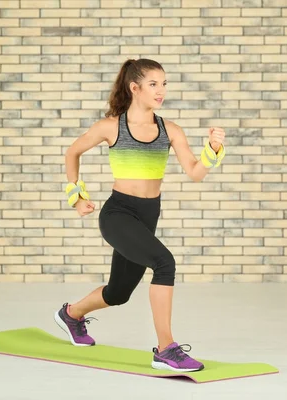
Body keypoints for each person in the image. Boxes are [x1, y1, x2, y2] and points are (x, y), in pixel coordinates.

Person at [55, 58, 226, 373]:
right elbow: (72, 152)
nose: (160, 91)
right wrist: (77, 198)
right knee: (165, 264)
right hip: (118, 213)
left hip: (148, 215)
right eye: (153, 84)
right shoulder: (111, 126)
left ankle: (71, 314)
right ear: (134, 88)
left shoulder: (170, 130)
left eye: (164, 84)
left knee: (118, 294)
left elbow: (195, 172)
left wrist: (212, 150)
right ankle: (166, 349)